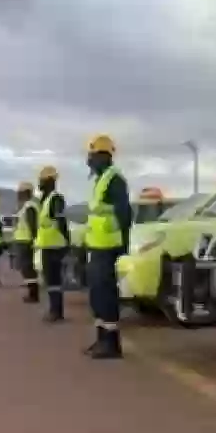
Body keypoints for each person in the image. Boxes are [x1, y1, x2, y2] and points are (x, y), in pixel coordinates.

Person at [83, 134, 132, 359]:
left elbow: (124, 213)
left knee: (106, 294)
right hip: (97, 245)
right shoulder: (100, 180)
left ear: (102, 155)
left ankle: (112, 344)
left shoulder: (114, 179)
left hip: (109, 246)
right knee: (96, 294)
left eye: (92, 155)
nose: (89, 160)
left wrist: (124, 244)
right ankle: (101, 338)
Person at [35, 165, 71, 322]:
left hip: (56, 245)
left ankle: (56, 312)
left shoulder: (55, 199)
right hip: (47, 244)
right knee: (50, 279)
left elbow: (61, 221)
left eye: (41, 180)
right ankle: (54, 309)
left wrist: (67, 241)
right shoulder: (45, 200)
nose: (39, 183)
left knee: (54, 279)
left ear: (49, 181)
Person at [13, 181, 41, 303]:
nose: (18, 195)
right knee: (25, 268)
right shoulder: (27, 206)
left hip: (26, 241)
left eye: (20, 192)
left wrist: (34, 240)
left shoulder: (30, 206)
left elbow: (32, 225)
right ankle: (32, 292)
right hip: (23, 240)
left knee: (27, 267)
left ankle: (33, 294)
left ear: (26, 193)